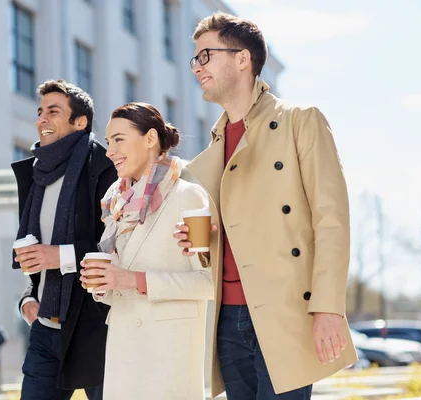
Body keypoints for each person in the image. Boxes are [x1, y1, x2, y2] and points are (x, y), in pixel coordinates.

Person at [174, 12, 358, 399]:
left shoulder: (300, 121)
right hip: (227, 318)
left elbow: (332, 221)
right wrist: (203, 239)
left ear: (242, 59)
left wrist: (328, 308)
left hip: (284, 311)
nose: (197, 68)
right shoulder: (212, 149)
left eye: (205, 56)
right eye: (195, 59)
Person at [80, 102, 213, 400]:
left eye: (119, 140)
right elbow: (120, 279)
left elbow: (210, 282)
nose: (110, 150)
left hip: (167, 355)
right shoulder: (116, 201)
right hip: (124, 349)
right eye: (107, 142)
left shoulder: (188, 196)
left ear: (150, 138)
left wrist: (133, 280)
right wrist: (102, 284)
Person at [12, 79, 117, 400]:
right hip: (45, 328)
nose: (42, 118)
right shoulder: (36, 174)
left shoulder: (105, 167)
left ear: (80, 121)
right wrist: (28, 298)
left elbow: (118, 245)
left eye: (53, 111)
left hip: (95, 326)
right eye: (41, 111)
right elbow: (35, 249)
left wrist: (60, 257)